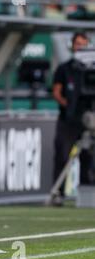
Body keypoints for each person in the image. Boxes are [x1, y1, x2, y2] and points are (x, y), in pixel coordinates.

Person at [51, 32, 92, 206]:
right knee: (62, 154)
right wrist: (67, 104)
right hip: (68, 119)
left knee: (89, 157)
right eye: (78, 44)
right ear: (72, 45)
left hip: (89, 118)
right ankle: (58, 193)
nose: (80, 48)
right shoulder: (64, 68)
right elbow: (56, 91)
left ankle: (87, 192)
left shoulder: (91, 69)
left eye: (84, 44)